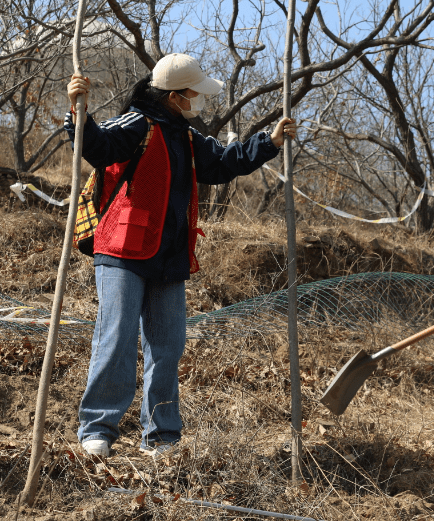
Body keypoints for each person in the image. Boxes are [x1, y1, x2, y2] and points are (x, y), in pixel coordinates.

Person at [64, 53, 297, 458]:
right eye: (195, 94)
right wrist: (79, 115)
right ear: (175, 97)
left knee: (167, 346)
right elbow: (98, 148)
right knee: (116, 337)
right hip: (122, 249)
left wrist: (270, 142)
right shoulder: (138, 123)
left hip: (169, 256)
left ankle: (161, 437)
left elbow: (226, 163)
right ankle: (97, 428)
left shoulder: (186, 137)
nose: (200, 102)